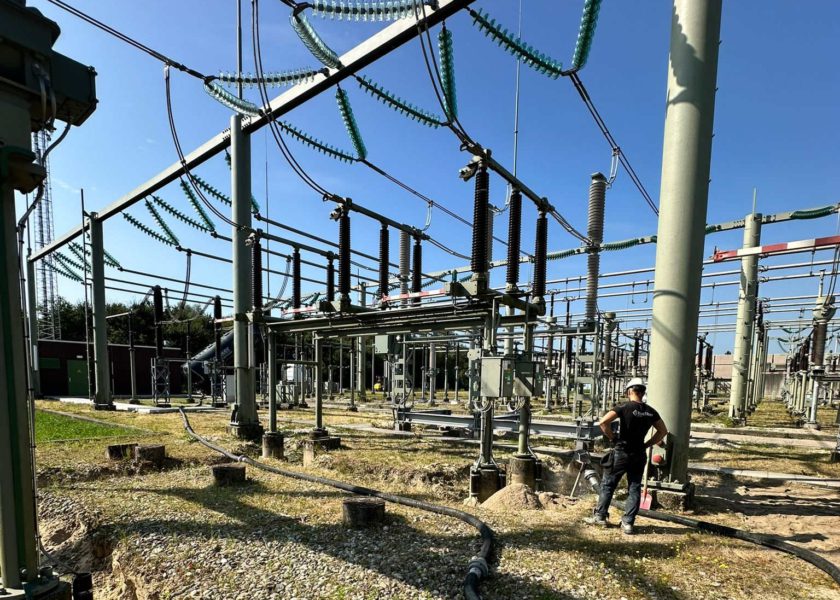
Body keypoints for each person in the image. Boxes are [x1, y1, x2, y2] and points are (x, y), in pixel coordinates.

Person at [584, 378, 668, 534]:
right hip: (639, 454)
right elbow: (663, 431)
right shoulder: (651, 411)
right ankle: (628, 523)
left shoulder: (623, 407)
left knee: (608, 485)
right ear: (642, 393)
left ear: (629, 391)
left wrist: (614, 438)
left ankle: (600, 517)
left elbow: (603, 422)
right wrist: (647, 444)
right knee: (634, 488)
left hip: (622, 452)